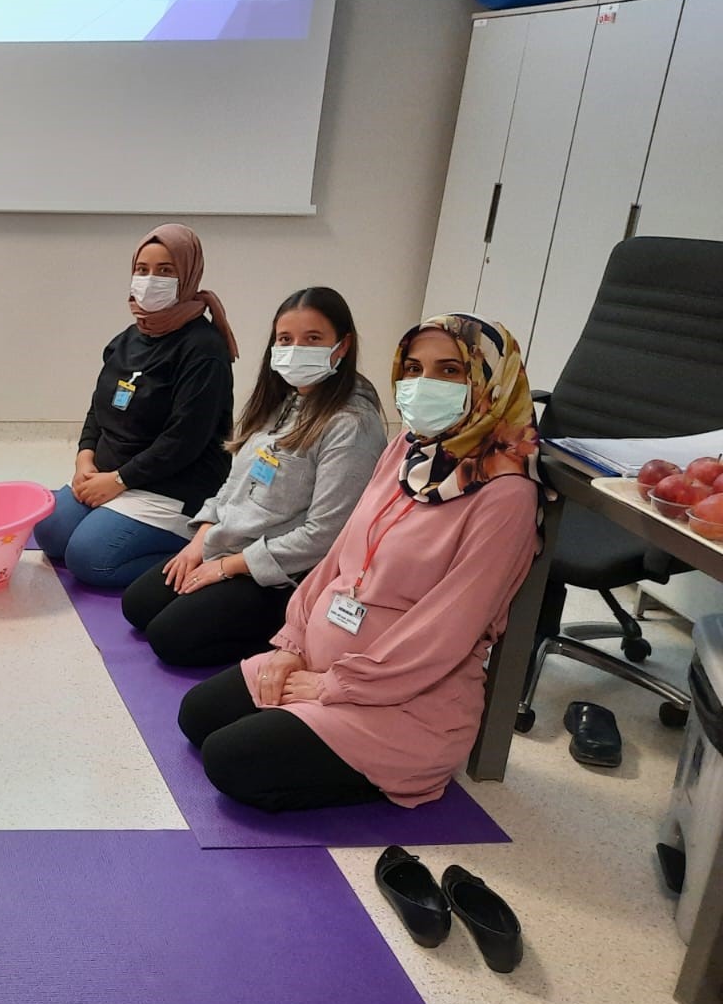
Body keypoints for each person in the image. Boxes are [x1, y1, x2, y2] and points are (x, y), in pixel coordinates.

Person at [176, 314, 546, 812]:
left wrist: (335, 686)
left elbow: (448, 630)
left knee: (229, 760)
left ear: (490, 381)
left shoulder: (506, 494)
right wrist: (292, 646)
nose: (423, 384)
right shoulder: (407, 451)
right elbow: (340, 555)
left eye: (450, 371)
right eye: (413, 369)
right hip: (321, 660)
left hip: (403, 700)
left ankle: (404, 763)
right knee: (198, 715)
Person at [121, 288, 385, 666]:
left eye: (313, 339)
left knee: (169, 638)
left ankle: (291, 633)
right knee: (138, 605)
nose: (296, 349)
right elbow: (234, 483)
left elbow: (325, 535)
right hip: (231, 543)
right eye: (285, 339)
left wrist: (226, 567)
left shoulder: (352, 425)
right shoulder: (281, 400)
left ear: (342, 346)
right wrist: (200, 542)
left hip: (284, 573)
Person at [33, 224, 239, 588]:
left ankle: (199, 554)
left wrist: (119, 480)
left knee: (89, 559)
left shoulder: (204, 349)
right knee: (48, 530)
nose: (149, 280)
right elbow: (98, 409)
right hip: (112, 475)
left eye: (165, 271)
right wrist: (85, 459)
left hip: (171, 487)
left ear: (188, 276)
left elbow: (184, 441)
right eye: (142, 270)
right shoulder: (128, 338)